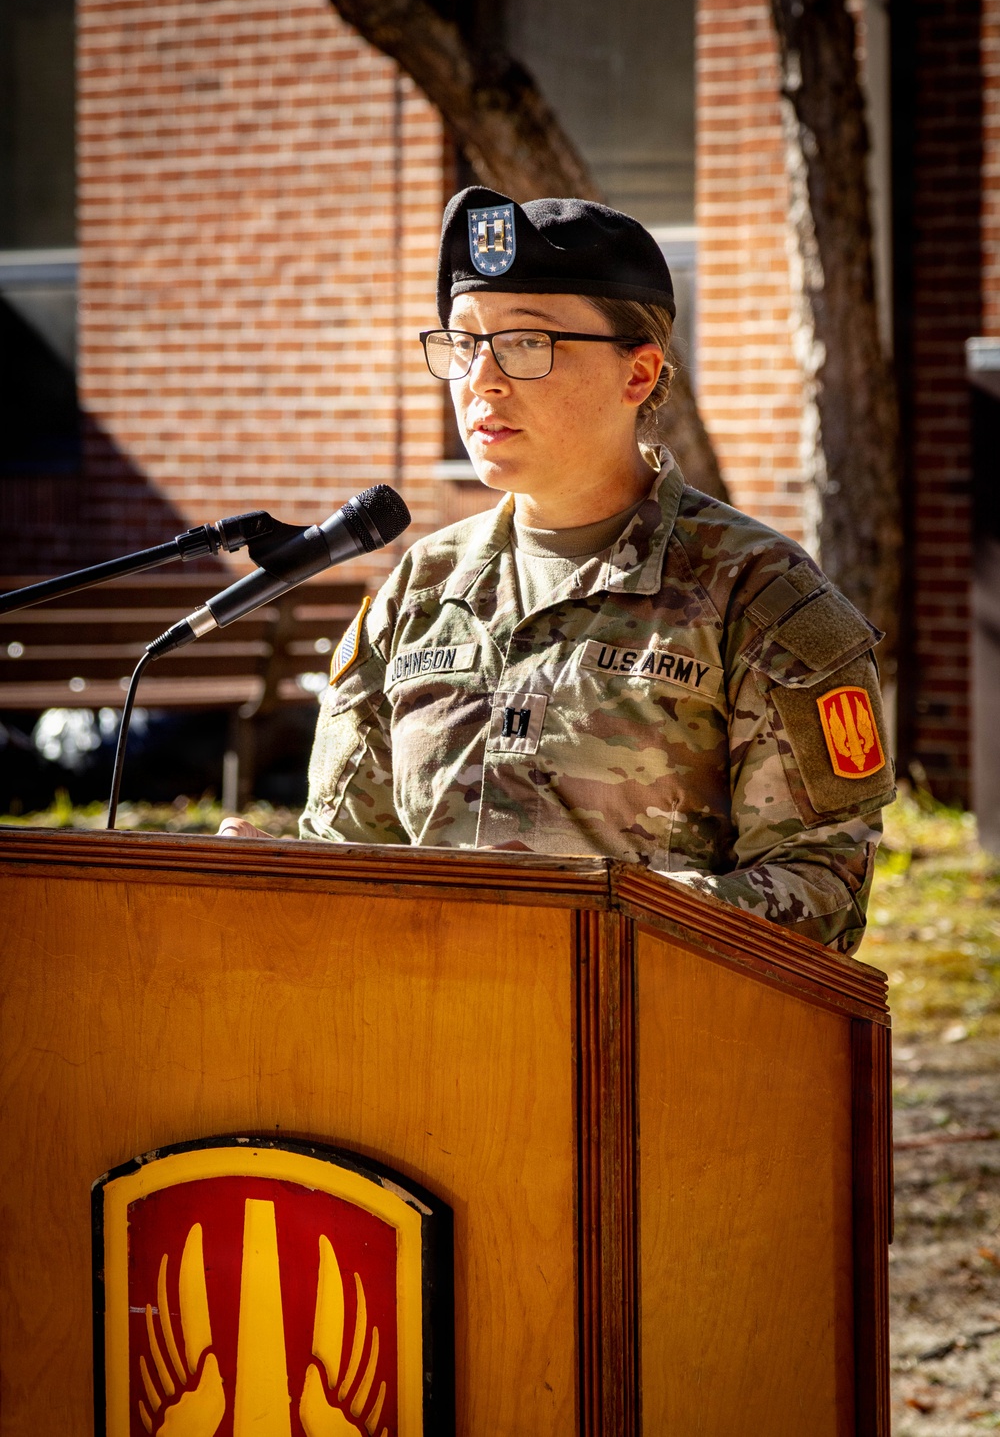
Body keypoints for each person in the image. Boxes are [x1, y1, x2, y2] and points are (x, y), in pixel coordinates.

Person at [224, 186, 895, 956]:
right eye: (465, 343)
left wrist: (589, 925)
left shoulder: (755, 592)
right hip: (419, 1046)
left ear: (638, 374)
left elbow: (825, 891)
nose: (481, 379)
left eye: (525, 345)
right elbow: (348, 845)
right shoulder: (422, 589)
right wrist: (273, 871)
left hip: (646, 1050)